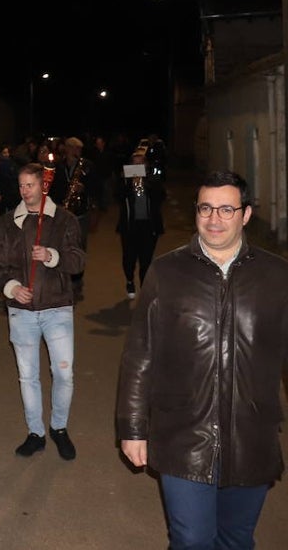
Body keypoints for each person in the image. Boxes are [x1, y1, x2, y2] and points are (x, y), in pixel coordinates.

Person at [117, 170, 288, 550]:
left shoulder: (277, 276)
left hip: (251, 435)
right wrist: (132, 428)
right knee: (191, 539)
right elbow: (139, 355)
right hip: (183, 434)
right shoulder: (167, 272)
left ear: (245, 215)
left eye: (226, 209)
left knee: (236, 538)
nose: (214, 218)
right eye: (206, 208)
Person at [0, 161, 85, 460]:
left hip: (57, 308)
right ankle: (35, 432)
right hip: (21, 311)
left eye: (30, 185)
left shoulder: (64, 219)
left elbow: (78, 260)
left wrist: (53, 256)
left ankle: (59, 427)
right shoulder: (8, 222)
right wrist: (12, 287)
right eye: (21, 185)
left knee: (63, 374)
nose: (25, 191)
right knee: (28, 376)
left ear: (44, 186)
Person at [47, 136, 94, 299]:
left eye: (80, 149)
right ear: (67, 149)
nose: (78, 152)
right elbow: (51, 188)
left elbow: (97, 186)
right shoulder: (58, 167)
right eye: (75, 148)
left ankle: (77, 281)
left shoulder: (86, 166)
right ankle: (63, 280)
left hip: (80, 213)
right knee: (61, 246)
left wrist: (85, 188)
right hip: (62, 212)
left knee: (78, 247)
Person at [114, 149, 165, 299]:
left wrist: (146, 185)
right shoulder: (124, 179)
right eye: (134, 164)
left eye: (141, 163)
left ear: (146, 164)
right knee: (129, 258)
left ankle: (145, 288)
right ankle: (130, 280)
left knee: (146, 259)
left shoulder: (153, 179)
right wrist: (129, 183)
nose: (137, 167)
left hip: (149, 226)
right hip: (130, 226)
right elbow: (117, 196)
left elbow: (161, 196)